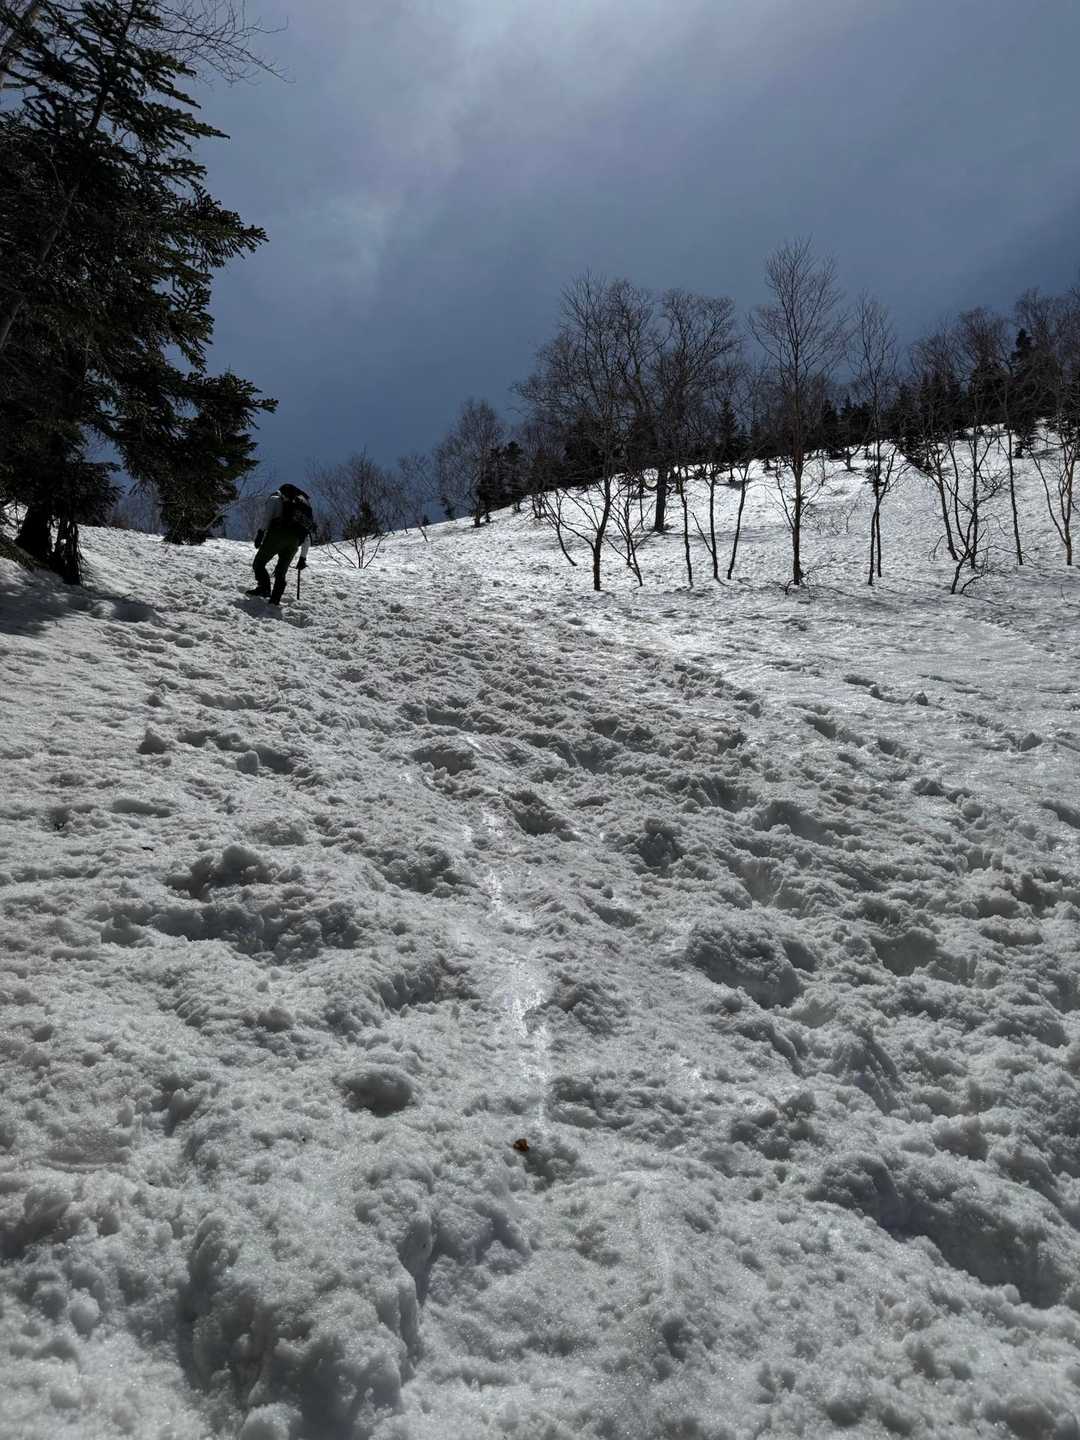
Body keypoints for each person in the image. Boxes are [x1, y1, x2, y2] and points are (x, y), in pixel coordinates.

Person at [248, 484, 315, 605]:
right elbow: (306, 536)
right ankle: (275, 600)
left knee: (259, 563)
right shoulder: (303, 510)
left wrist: (261, 533)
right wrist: (302, 558)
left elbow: (267, 517)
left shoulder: (275, 498)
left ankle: (264, 589)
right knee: (281, 572)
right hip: (294, 542)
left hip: (278, 534)